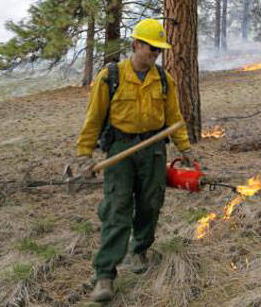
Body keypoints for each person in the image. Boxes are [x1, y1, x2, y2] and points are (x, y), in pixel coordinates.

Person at [75, 18, 192, 303]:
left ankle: (139, 249)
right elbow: (93, 118)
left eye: (159, 50)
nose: (155, 54)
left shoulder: (164, 80)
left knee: (151, 203)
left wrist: (185, 148)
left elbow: (174, 118)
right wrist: (84, 154)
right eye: (151, 48)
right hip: (120, 151)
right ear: (136, 45)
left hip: (153, 150)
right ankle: (105, 274)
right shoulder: (110, 77)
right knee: (117, 207)